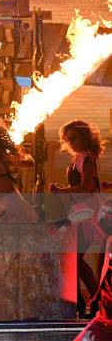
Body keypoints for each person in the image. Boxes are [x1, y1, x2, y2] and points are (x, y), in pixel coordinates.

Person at [49, 120, 106, 316]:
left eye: (75, 138)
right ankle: (84, 302)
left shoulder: (86, 159)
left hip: (85, 213)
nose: (71, 142)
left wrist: (61, 191)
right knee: (73, 259)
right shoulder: (80, 159)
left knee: (75, 259)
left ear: (85, 138)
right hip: (79, 211)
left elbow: (87, 188)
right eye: (68, 139)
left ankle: (95, 301)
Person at [65, 197, 112, 341]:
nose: (102, 220)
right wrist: (98, 295)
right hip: (105, 319)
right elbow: (86, 214)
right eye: (104, 215)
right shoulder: (107, 238)